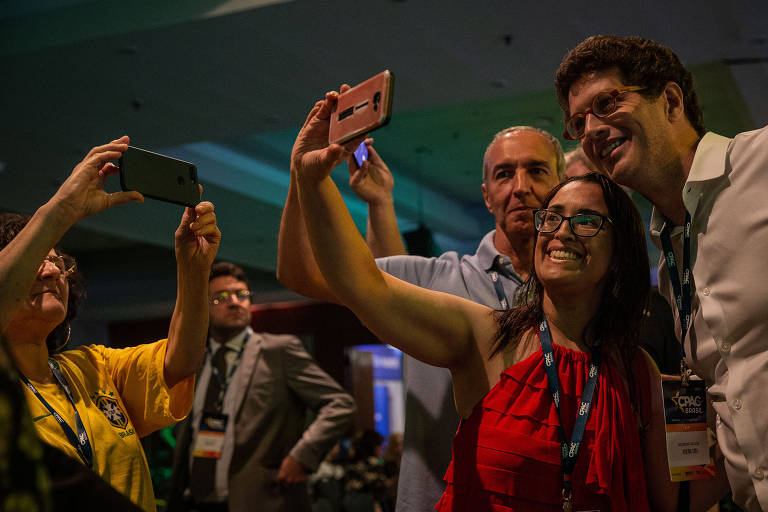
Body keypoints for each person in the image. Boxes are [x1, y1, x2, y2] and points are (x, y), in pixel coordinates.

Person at [283, 90, 737, 511]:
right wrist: (310, 175)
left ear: (618, 254)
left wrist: (746, 417)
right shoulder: (485, 331)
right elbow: (361, 282)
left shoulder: (637, 368)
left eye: (585, 221)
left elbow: (676, 496)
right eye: (553, 219)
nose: (560, 230)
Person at [278, 110, 564, 510]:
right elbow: (301, 273)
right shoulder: (437, 278)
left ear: (562, 185)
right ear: (486, 195)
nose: (520, 187)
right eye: (504, 174)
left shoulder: (578, 289)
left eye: (537, 171)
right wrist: (301, 174)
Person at [555, 34, 764, 511]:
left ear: (670, 100)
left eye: (605, 103)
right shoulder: (672, 264)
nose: (590, 130)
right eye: (577, 122)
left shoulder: (761, 161)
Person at [0, 135, 220, 512]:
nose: (53, 270)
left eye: (58, 260)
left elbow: (180, 361)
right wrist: (60, 211)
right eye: (37, 259)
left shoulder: (91, 368)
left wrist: (194, 269)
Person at [168, 261, 355, 512]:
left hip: (263, 500)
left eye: (242, 295)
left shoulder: (278, 351)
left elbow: (340, 404)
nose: (235, 302)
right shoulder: (194, 361)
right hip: (195, 501)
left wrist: (304, 455)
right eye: (222, 297)